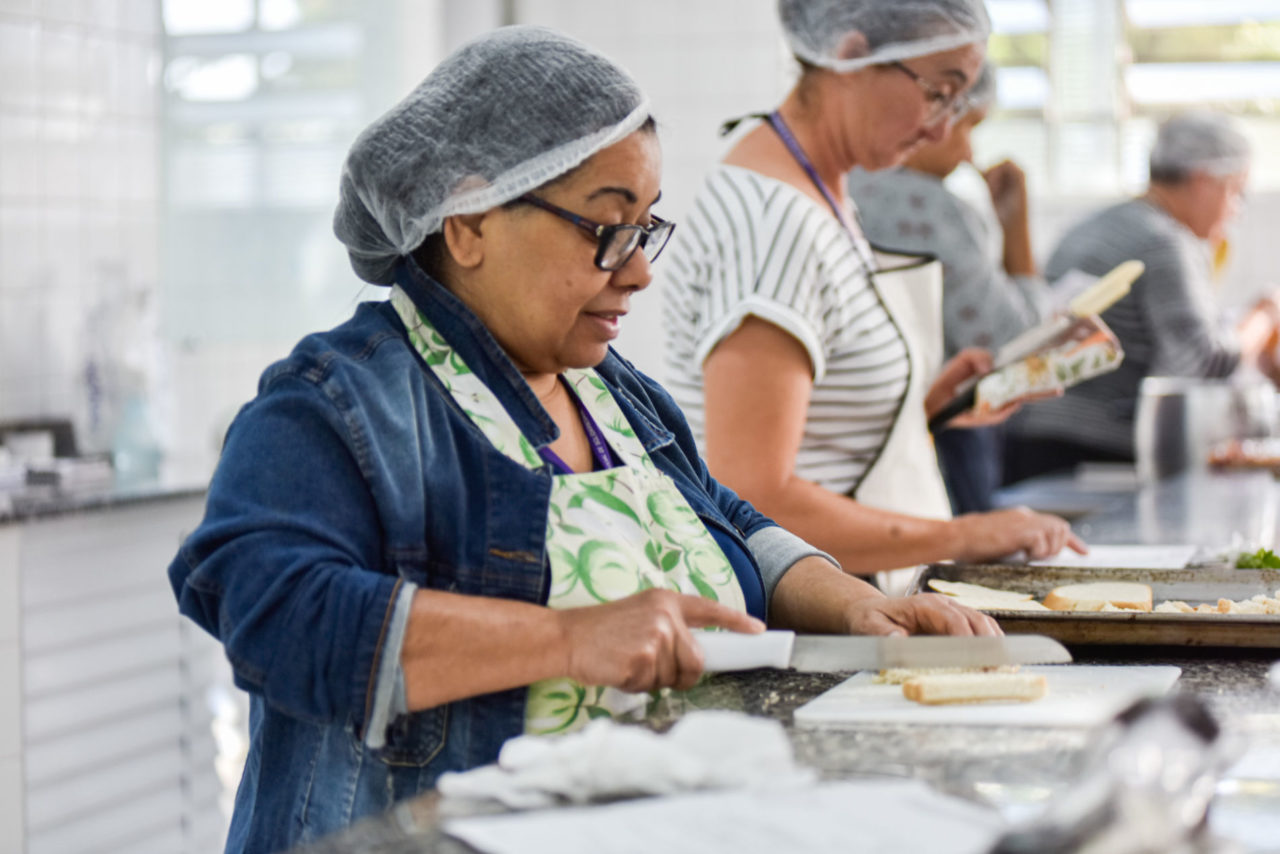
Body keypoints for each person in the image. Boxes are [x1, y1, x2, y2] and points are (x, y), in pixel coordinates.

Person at [167, 26, 1002, 853]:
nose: (638, 270)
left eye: (644, 228)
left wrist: (854, 605)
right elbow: (266, 608)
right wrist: (568, 640)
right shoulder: (338, 405)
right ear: (469, 223)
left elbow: (726, 518)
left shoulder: (611, 391)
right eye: (606, 229)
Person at [661, 0, 1084, 595]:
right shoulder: (774, 224)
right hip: (798, 604)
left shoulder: (824, 190)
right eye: (939, 93)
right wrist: (965, 534)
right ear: (851, 54)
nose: (943, 131)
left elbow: (816, 431)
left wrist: (928, 404)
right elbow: (753, 495)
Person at [1003, 111, 1278, 482]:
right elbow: (1198, 363)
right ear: (1203, 181)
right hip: (1095, 450)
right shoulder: (1165, 242)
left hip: (1030, 436)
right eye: (1236, 192)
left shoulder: (1095, 226)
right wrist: (1263, 316)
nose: (1236, 212)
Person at [847, 63, 1050, 512]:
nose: (968, 151)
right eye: (968, 126)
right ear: (931, 112)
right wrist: (1016, 226)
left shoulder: (842, 187)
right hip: (938, 446)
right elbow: (1019, 343)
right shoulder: (931, 208)